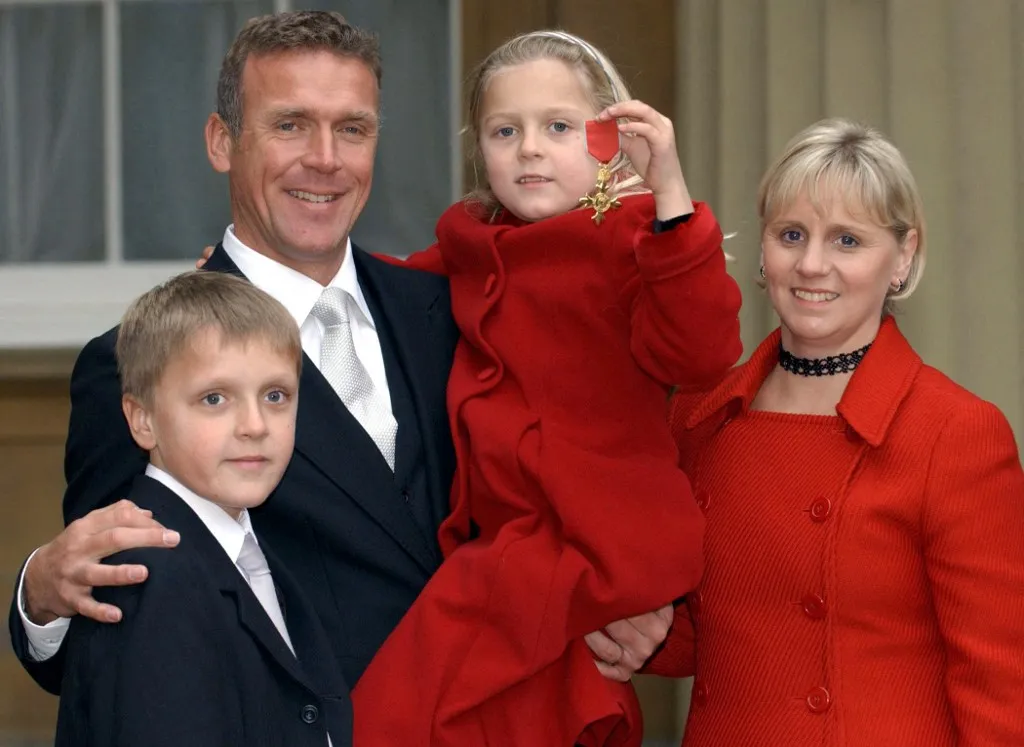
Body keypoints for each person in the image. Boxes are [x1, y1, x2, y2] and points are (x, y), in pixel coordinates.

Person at [7, 10, 671, 730]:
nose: (325, 158)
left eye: (352, 129)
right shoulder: (137, 363)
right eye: (290, 125)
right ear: (222, 141)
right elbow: (114, 618)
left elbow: (582, 455)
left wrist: (634, 605)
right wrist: (39, 594)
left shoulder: (457, 308)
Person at [347, 30, 742, 747]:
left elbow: (703, 349)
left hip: (595, 534)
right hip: (521, 540)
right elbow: (381, 290)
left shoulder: (635, 240)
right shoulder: (471, 245)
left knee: (402, 702)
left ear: (609, 137)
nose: (529, 147)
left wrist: (670, 195)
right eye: (506, 130)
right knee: (531, 712)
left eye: (558, 127)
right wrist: (259, 284)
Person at [643, 118, 1024, 746]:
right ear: (764, 249)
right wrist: (633, 628)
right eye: (791, 234)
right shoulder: (699, 413)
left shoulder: (955, 432)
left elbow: (1001, 687)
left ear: (903, 257)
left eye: (847, 240)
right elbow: (719, 631)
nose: (812, 264)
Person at [55, 271, 350, 746]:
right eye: (215, 399)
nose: (255, 425)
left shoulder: (243, 549)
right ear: (143, 420)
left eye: (276, 396)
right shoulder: (149, 578)